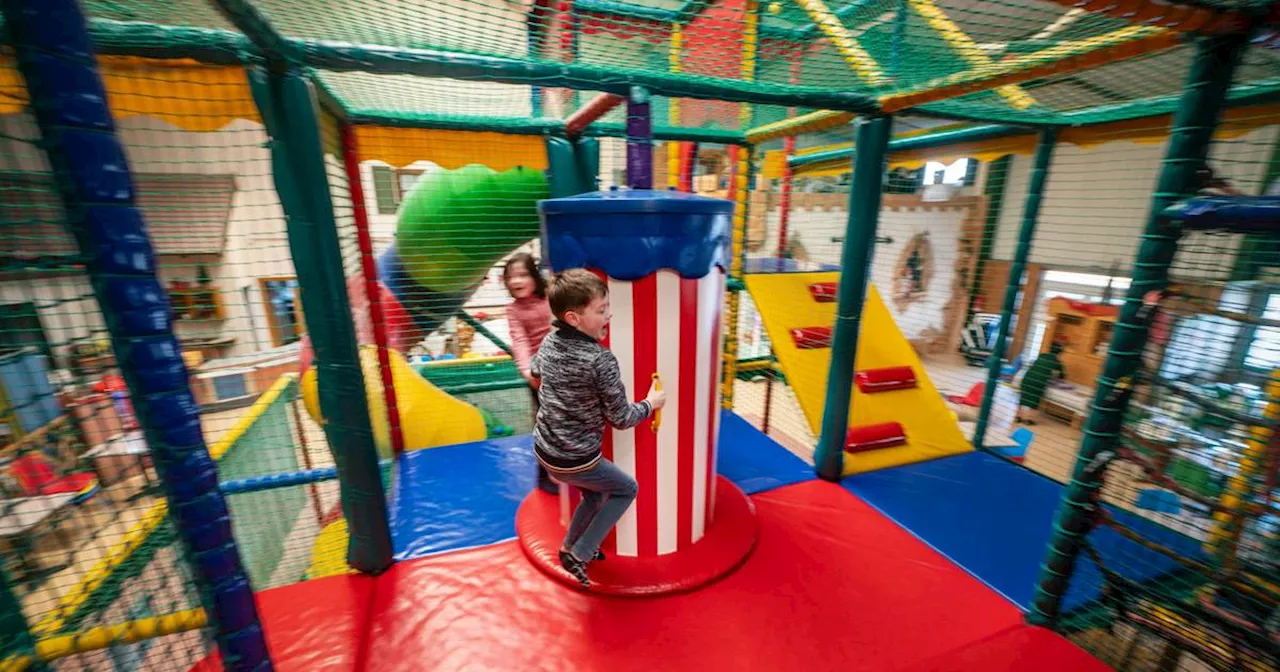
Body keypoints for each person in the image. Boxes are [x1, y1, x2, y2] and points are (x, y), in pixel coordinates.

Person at [530, 269, 666, 587]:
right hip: (575, 458)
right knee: (626, 489)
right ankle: (582, 552)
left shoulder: (550, 341)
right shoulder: (600, 361)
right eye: (601, 310)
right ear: (574, 318)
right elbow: (621, 419)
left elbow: (536, 370)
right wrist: (651, 403)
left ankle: (568, 548)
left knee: (593, 497)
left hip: (544, 450)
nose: (609, 314)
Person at [503, 252, 557, 494]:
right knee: (545, 424)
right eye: (511, 277)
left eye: (523, 275)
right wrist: (527, 370)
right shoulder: (514, 310)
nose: (516, 281)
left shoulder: (550, 297)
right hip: (538, 374)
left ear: (535, 277)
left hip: (562, 365)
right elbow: (520, 340)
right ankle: (544, 475)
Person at [1016, 341, 1066, 425]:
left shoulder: (1041, 355)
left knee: (1023, 398)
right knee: (1034, 401)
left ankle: (1018, 417)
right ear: (1059, 353)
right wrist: (1056, 378)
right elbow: (1062, 376)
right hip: (1039, 382)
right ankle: (1029, 420)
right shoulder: (1056, 362)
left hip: (1027, 378)